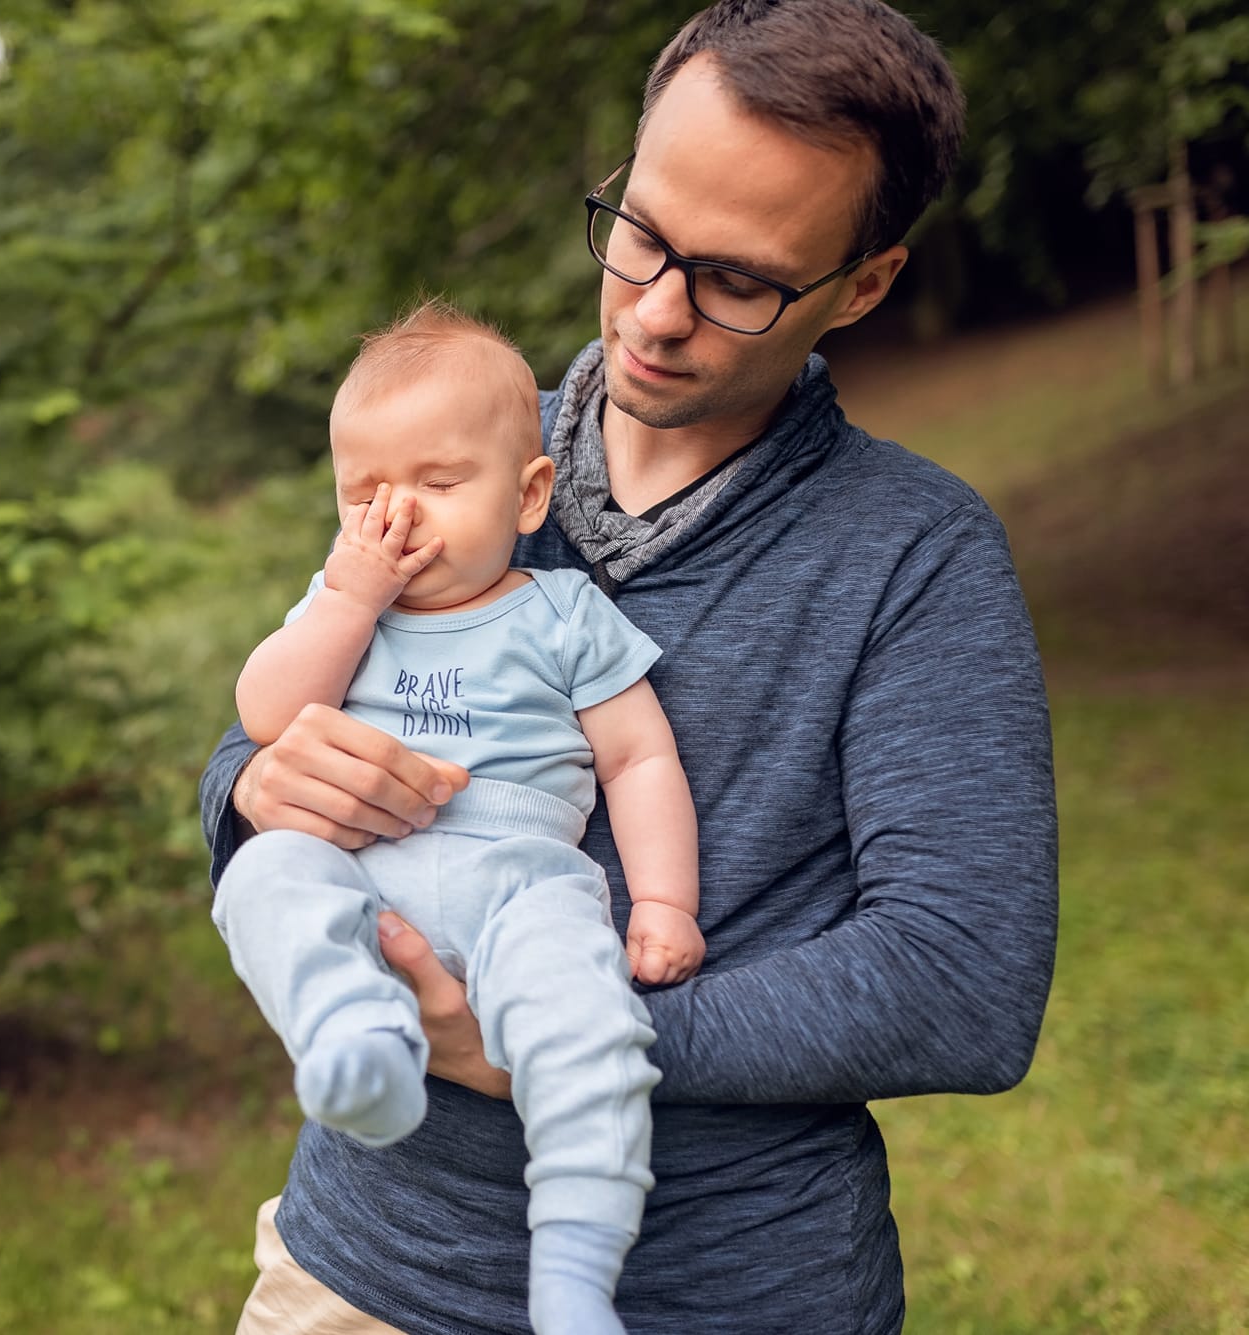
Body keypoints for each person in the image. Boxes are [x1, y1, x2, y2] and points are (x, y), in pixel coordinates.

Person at [198, 1, 1060, 1331]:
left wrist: (552, 1035)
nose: (657, 311)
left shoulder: (914, 554)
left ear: (866, 284)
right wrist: (255, 787)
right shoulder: (454, 445)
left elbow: (961, 980)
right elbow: (273, 716)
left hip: (724, 1290)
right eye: (643, 232)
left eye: (740, 278)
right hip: (364, 1268)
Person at [215, 302, 703, 1334]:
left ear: (529, 495)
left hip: (522, 883)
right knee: (262, 878)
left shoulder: (563, 613)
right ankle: (354, 1039)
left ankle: (575, 1259)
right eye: (364, 496)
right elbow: (263, 714)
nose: (398, 519)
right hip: (360, 876)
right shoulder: (345, 606)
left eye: (436, 485)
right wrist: (346, 596)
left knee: (585, 1027)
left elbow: (637, 756)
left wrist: (660, 900)